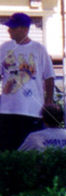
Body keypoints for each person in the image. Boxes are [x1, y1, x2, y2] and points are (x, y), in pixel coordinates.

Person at [0, 12, 56, 151]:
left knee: (30, 150)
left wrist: (48, 101)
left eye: (13, 27)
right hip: (7, 110)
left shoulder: (39, 49)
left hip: (32, 110)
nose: (9, 30)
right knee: (7, 149)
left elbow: (49, 76)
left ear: (25, 29)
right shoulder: (4, 47)